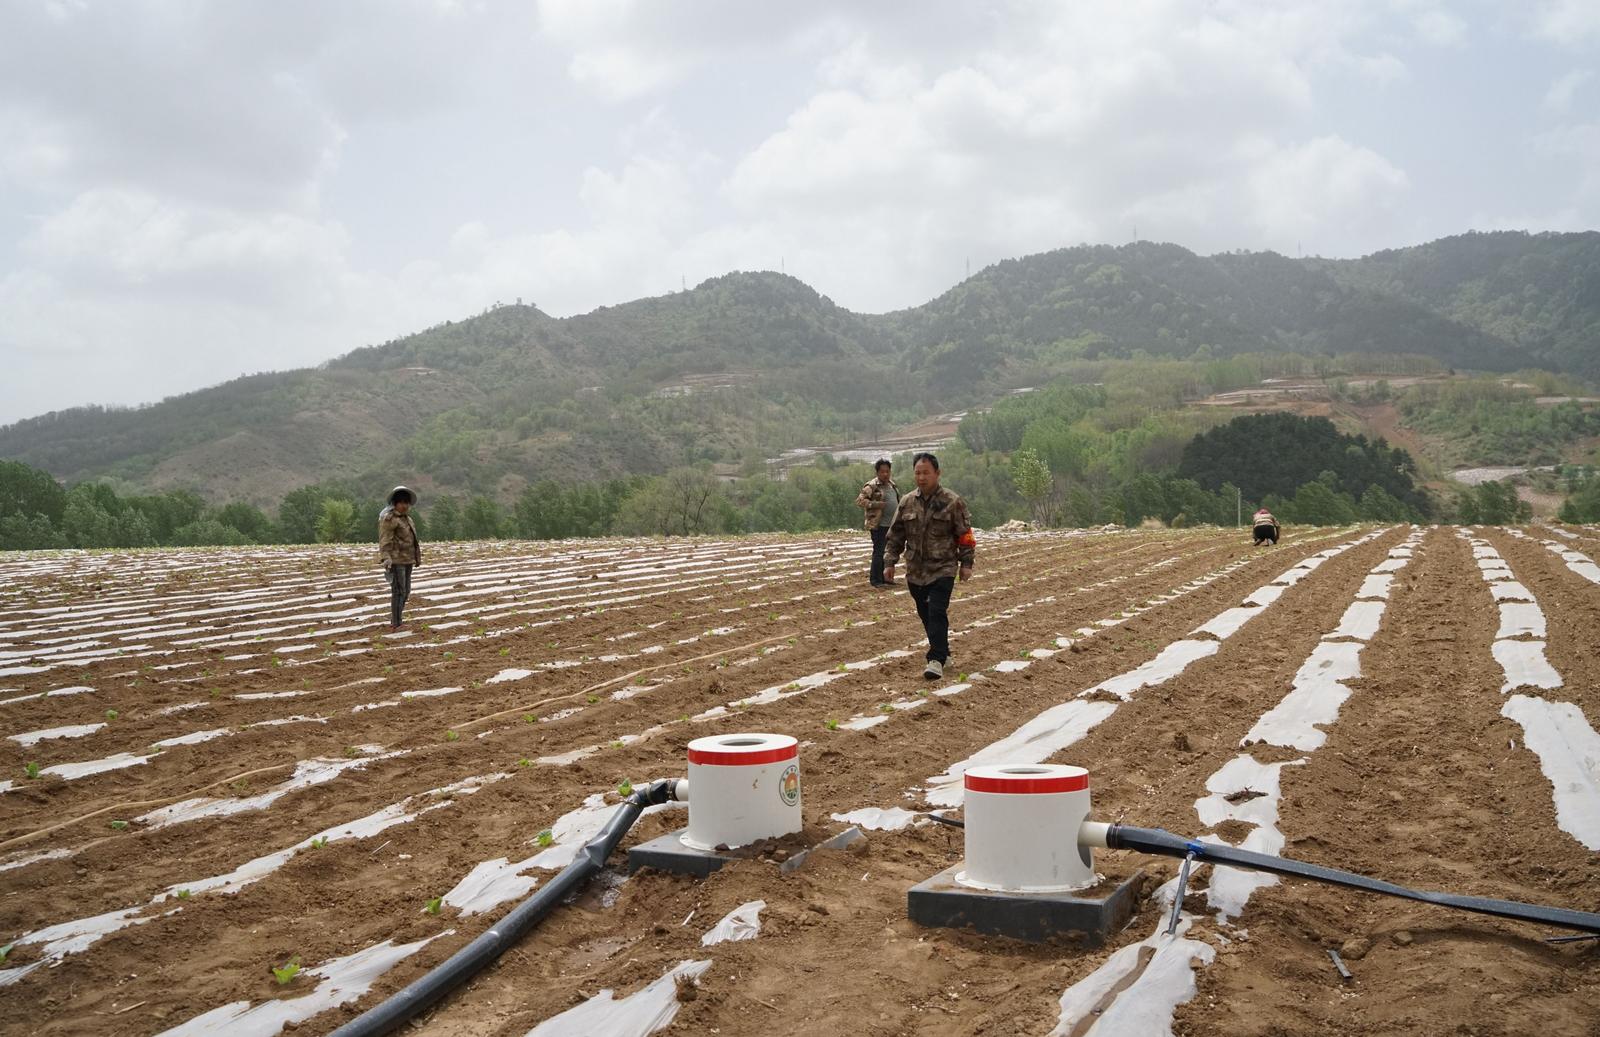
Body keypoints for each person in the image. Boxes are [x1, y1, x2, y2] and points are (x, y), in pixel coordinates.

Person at [883, 452, 975, 680]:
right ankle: (944, 653)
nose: (922, 477)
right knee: (926, 615)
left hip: (943, 568)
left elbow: (965, 535)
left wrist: (966, 563)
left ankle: (935, 659)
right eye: (918, 473)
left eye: (926, 473)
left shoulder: (952, 502)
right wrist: (889, 562)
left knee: (936, 610)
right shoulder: (906, 502)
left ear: (937, 474)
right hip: (915, 571)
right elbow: (895, 535)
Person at [378, 486, 423, 629]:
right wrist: (386, 558)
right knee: (398, 591)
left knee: (406, 591)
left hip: (407, 559)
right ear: (395, 503)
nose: (404, 505)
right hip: (396, 560)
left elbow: (413, 540)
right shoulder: (390, 519)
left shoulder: (407, 519)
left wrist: (417, 558)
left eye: (406, 502)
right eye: (401, 502)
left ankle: (397, 619)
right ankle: (396, 623)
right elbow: (385, 540)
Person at [855, 459, 900, 587]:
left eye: (887, 471)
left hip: (891, 525)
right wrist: (876, 504)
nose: (885, 474)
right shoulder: (872, 486)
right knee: (879, 552)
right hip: (879, 525)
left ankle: (885, 578)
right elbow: (859, 501)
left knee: (889, 553)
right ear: (877, 472)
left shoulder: (892, 485)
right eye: (882, 471)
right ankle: (876, 580)